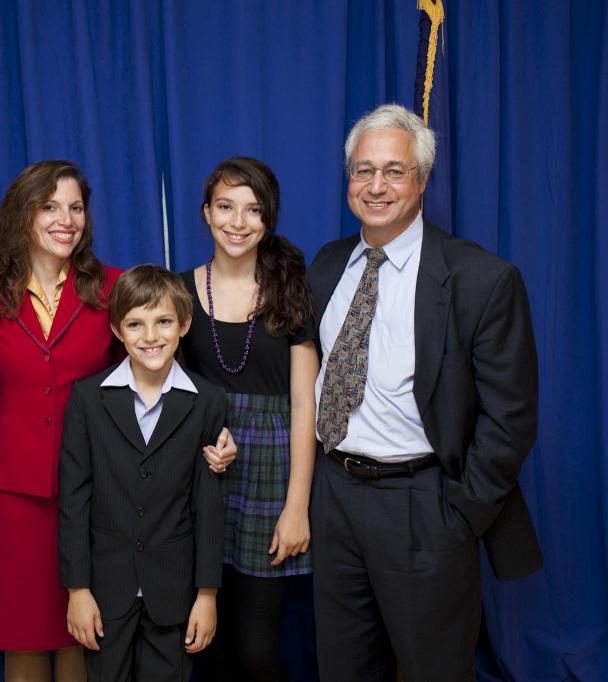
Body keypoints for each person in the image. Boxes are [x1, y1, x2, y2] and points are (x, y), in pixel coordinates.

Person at [0, 162, 236, 681]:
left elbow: (160, 368)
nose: (66, 219)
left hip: (96, 498)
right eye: (49, 207)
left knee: (83, 635)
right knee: (20, 636)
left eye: (76, 207)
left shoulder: (112, 288)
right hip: (14, 497)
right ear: (23, 214)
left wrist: (213, 435)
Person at [308, 103, 542, 681]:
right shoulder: (328, 265)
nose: (376, 185)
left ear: (422, 181)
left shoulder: (481, 279)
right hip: (334, 498)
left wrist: (459, 514)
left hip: (422, 506)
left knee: (434, 669)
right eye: (363, 170)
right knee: (342, 669)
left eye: (394, 170)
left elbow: (511, 417)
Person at [179, 157, 319, 679]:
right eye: (225, 207)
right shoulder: (181, 291)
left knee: (257, 650)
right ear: (206, 214)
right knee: (203, 643)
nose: (238, 222)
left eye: (253, 210)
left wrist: (297, 506)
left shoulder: (289, 290)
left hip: (271, 473)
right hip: (203, 466)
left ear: (268, 220)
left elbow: (304, 404)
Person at [59, 264, 227, 681]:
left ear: (185, 324)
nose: (150, 337)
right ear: (117, 330)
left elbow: (208, 505)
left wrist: (207, 594)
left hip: (174, 590)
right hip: (106, 590)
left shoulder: (207, 401)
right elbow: (74, 499)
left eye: (163, 321)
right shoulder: (88, 398)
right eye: (136, 324)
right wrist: (77, 589)